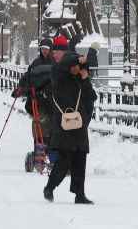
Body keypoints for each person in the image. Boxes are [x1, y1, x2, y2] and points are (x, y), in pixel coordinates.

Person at [43, 49, 95, 204]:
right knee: (64, 161)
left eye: (78, 66)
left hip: (79, 126)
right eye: (73, 66)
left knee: (80, 161)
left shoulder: (81, 80)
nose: (75, 68)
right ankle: (50, 187)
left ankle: (80, 194)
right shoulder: (59, 77)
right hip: (64, 127)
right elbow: (63, 65)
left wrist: (85, 79)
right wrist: (78, 58)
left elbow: (91, 97)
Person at [12, 38, 56, 153]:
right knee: (39, 124)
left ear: (50, 49)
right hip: (37, 100)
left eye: (47, 49)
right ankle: (39, 149)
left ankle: (52, 150)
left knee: (51, 125)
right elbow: (28, 77)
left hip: (52, 101)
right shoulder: (36, 63)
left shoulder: (55, 63)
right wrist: (21, 88)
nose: (44, 51)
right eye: (42, 49)